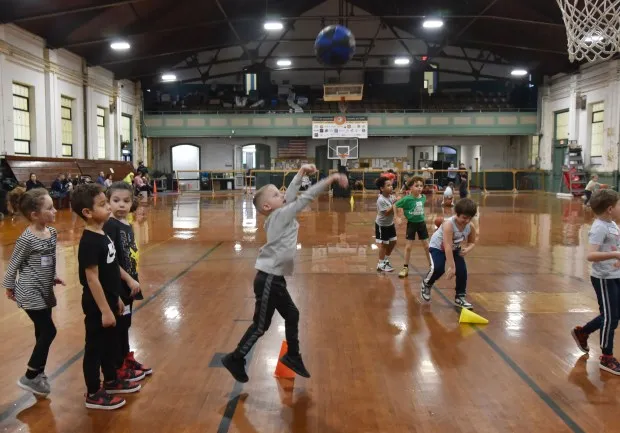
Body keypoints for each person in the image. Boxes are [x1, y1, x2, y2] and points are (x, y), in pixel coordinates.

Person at [221, 165, 348, 383]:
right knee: (261, 326)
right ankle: (235, 357)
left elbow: (290, 195)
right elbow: (303, 198)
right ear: (268, 205)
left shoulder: (278, 213)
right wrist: (330, 179)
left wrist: (300, 173)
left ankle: (292, 356)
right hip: (268, 278)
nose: (283, 195)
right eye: (276, 194)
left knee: (292, 314)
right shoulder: (280, 216)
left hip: (273, 278)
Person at [72, 183, 141, 410]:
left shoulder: (103, 234)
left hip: (111, 300)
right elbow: (92, 279)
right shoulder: (90, 241)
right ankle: (93, 392)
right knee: (95, 348)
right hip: (96, 305)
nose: (109, 209)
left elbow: (112, 269)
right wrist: (104, 309)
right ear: (87, 213)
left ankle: (111, 380)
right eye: (103, 205)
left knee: (110, 344)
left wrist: (117, 298)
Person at [3, 188, 64, 397]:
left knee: (41, 332)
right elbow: (14, 265)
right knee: (50, 331)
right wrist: (9, 287)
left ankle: (39, 373)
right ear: (34, 215)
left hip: (45, 289)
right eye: (49, 208)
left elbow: (49, 259)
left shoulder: (52, 233)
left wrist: (53, 274)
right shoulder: (26, 239)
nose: (55, 210)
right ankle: (29, 376)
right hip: (29, 290)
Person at [103, 182, 151, 379]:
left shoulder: (128, 224)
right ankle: (117, 365)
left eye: (126, 201)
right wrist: (129, 280)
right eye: (116, 201)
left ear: (132, 203)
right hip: (119, 285)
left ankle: (126, 358)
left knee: (126, 324)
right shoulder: (110, 225)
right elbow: (111, 260)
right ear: (108, 202)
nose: (121, 205)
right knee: (118, 327)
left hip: (129, 284)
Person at [571, 189, 620, 374]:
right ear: (610, 209)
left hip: (615, 275)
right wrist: (615, 254)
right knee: (610, 317)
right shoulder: (599, 227)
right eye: (618, 205)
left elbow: (616, 245)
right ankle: (606, 357)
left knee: (614, 314)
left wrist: (617, 257)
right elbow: (591, 255)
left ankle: (582, 332)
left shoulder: (613, 224)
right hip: (604, 279)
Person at [421, 198, 478, 309]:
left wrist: (467, 249)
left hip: (454, 247)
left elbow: (472, 242)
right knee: (438, 268)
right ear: (457, 214)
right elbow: (447, 246)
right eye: (464, 218)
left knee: (462, 271)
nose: (467, 221)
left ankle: (460, 297)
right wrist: (452, 267)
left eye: (469, 218)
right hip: (438, 246)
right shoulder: (449, 225)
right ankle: (427, 284)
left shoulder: (470, 227)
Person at [396, 176, 430, 278]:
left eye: (421, 186)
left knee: (427, 246)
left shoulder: (423, 197)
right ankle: (405, 267)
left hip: (421, 224)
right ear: (411, 187)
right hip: (411, 224)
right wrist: (397, 217)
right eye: (416, 186)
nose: (419, 188)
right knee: (409, 247)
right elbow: (395, 205)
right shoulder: (407, 199)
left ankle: (431, 265)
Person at [375, 176, 400, 272]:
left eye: (391, 185)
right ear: (382, 188)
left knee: (393, 242)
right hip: (382, 225)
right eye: (388, 185)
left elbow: (396, 206)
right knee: (384, 244)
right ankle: (380, 264)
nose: (391, 187)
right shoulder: (381, 200)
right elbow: (387, 212)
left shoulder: (391, 197)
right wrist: (396, 202)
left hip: (390, 224)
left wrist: (399, 201)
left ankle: (385, 260)